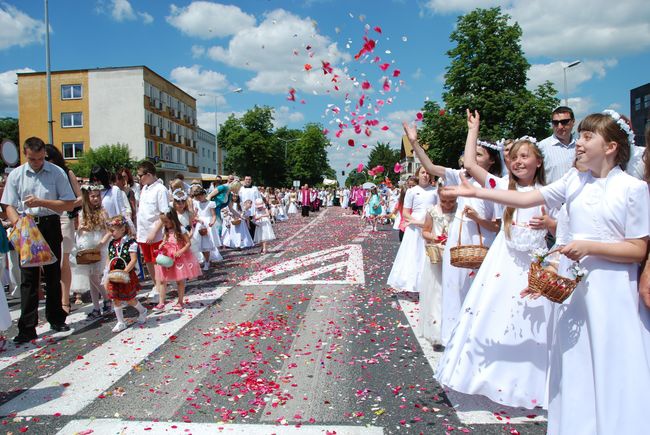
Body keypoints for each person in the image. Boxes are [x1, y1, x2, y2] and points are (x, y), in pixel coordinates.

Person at [449, 110, 650, 434]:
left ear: (611, 146)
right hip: (577, 292)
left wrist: (590, 247)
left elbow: (638, 249)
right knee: (575, 365)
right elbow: (526, 197)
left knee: (615, 366)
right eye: (580, 135)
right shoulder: (574, 181)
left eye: (587, 136)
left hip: (614, 294)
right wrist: (479, 192)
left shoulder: (632, 189)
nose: (578, 143)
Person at [437, 110, 555, 408]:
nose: (518, 161)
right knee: (496, 314)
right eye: (513, 157)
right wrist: (472, 131)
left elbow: (564, 227)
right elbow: (473, 166)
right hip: (504, 260)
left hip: (534, 263)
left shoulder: (550, 192)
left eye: (525, 156)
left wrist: (550, 226)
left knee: (533, 321)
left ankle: (532, 379)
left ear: (538, 161)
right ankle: (491, 374)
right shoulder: (504, 187)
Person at [403, 120, 501, 345]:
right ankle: (452, 336)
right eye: (471, 154)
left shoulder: (495, 184)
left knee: (477, 291)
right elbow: (430, 168)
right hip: (457, 241)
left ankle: (475, 336)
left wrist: (477, 218)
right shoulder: (459, 175)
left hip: (482, 241)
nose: (472, 160)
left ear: (492, 160)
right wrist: (414, 142)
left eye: (479, 155)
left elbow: (496, 226)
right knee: (452, 288)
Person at [1, 137, 76, 343]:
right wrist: (19, 224)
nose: (37, 163)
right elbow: (8, 204)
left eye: (40, 158)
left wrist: (42, 201)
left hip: (50, 223)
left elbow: (68, 204)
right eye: (33, 159)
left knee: (52, 274)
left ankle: (56, 317)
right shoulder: (16, 174)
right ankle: (27, 327)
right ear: (25, 154)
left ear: (44, 154)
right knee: (28, 278)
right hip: (27, 226)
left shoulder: (56, 172)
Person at [44, 144, 83, 314]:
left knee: (63, 261)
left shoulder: (67, 173)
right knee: (47, 261)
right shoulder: (40, 175)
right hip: (45, 218)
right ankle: (53, 298)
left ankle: (65, 300)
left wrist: (67, 205)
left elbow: (81, 198)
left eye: (47, 159)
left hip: (63, 218)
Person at [386, 167, 438, 293]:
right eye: (423, 172)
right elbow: (406, 212)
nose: (425, 175)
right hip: (415, 228)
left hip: (430, 225)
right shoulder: (412, 191)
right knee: (414, 255)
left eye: (428, 173)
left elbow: (438, 210)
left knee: (429, 256)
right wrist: (416, 222)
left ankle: (428, 284)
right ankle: (413, 284)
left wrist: (428, 223)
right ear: (418, 175)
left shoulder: (435, 191)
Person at [418, 186, 456, 348]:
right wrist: (435, 237)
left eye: (451, 201)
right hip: (437, 255)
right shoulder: (432, 211)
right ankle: (436, 331)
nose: (447, 205)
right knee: (437, 293)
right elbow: (425, 231)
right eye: (444, 201)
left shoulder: (460, 209)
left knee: (453, 292)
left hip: (455, 256)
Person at [71, 184, 112, 319]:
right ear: (87, 198)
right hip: (85, 245)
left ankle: (107, 298)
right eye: (92, 196)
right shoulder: (82, 213)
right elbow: (80, 229)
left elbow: (108, 231)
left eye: (97, 196)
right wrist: (81, 228)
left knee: (95, 276)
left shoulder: (103, 212)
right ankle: (96, 307)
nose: (95, 199)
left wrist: (101, 245)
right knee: (91, 279)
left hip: (98, 246)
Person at [104, 215, 147, 332]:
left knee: (129, 299)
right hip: (114, 274)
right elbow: (109, 258)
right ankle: (120, 322)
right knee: (115, 298)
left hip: (125, 274)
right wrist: (107, 272)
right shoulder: (111, 243)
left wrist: (124, 272)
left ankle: (142, 310)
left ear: (122, 229)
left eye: (113, 231)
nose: (111, 233)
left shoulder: (131, 243)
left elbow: (133, 260)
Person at [135, 161, 170, 304]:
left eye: (140, 175)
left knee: (158, 261)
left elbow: (164, 213)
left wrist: (154, 231)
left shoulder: (160, 189)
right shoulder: (144, 189)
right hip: (143, 231)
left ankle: (161, 289)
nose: (139, 178)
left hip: (155, 233)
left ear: (148, 174)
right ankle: (156, 285)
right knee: (148, 260)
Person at [154, 210, 202, 311]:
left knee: (180, 281)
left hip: (178, 258)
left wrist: (181, 251)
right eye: (163, 222)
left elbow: (188, 243)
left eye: (166, 222)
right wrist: (161, 245)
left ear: (173, 219)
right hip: (167, 257)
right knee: (162, 280)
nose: (165, 224)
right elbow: (164, 241)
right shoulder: (165, 230)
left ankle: (180, 301)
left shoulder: (181, 229)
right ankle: (161, 303)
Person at [537, 106, 577, 183]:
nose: (560, 126)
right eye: (555, 123)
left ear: (573, 122)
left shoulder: (580, 146)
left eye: (564, 122)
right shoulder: (542, 147)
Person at [192, 187, 221, 269]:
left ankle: (207, 262)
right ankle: (206, 259)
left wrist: (212, 221)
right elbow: (195, 214)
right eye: (197, 197)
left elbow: (214, 215)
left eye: (200, 197)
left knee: (207, 244)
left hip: (208, 223)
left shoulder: (210, 203)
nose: (198, 199)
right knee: (200, 244)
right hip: (200, 223)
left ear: (204, 195)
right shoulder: (197, 203)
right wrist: (197, 219)